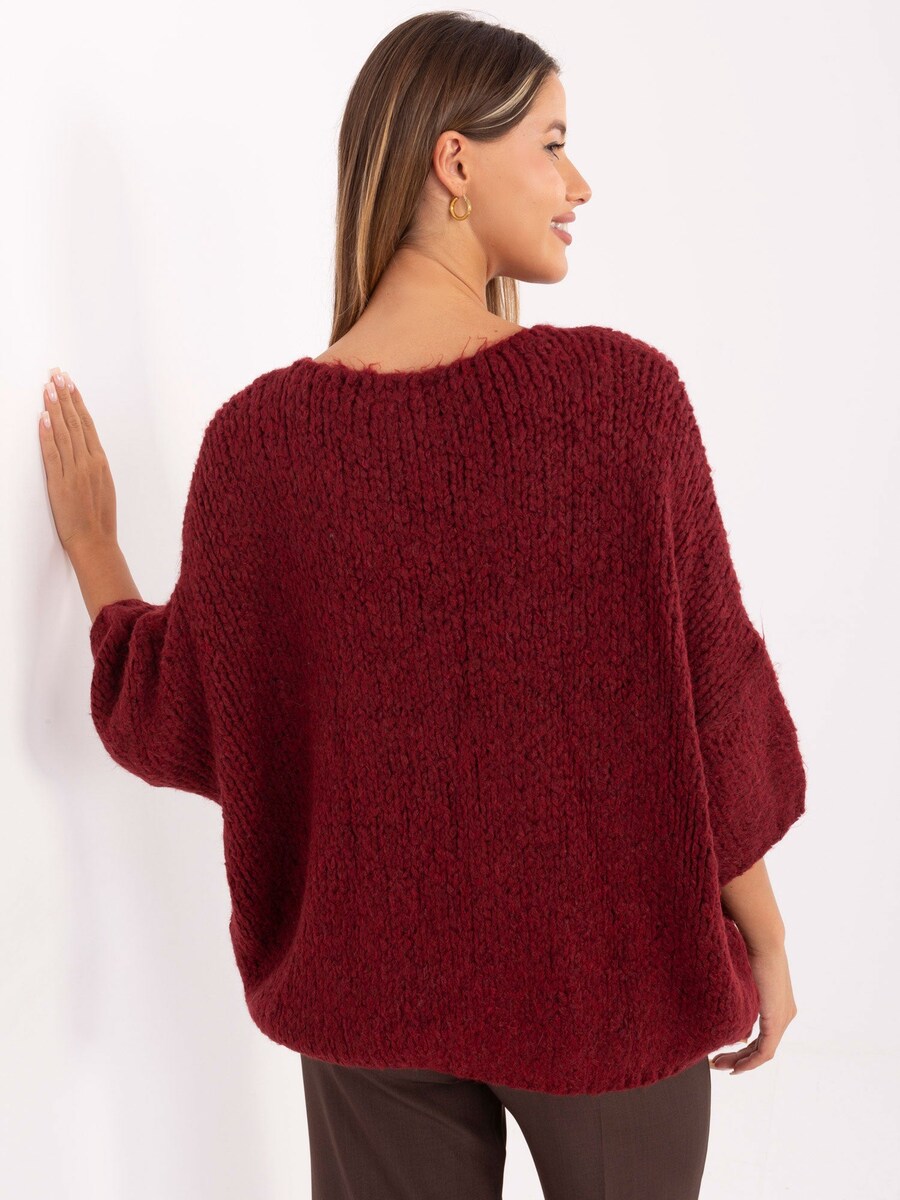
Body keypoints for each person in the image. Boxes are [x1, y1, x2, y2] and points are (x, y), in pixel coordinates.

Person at [38, 12, 806, 1199]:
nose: (579, 185)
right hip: (608, 986)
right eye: (553, 144)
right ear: (455, 161)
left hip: (369, 1001)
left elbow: (181, 713)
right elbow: (711, 708)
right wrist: (768, 935)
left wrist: (96, 554)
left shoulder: (259, 446)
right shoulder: (620, 401)